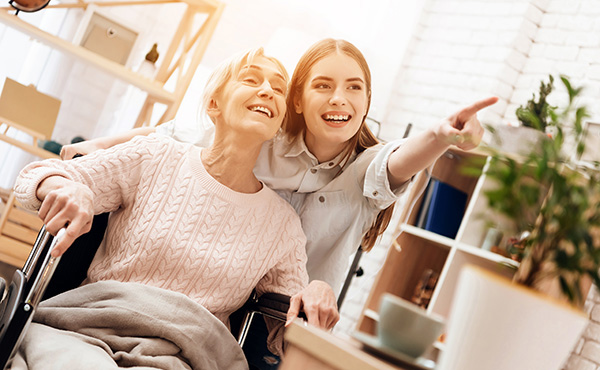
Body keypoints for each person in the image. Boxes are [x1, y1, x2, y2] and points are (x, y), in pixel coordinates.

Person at [61, 38, 496, 333]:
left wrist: (441, 135)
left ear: (366, 102)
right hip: (213, 299)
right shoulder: (262, 139)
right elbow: (175, 136)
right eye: (322, 86)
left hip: (285, 320)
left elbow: (400, 159)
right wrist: (98, 147)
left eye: (354, 88)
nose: (339, 99)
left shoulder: (365, 170)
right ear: (299, 100)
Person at [12, 48, 308, 368]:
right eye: (251, 79)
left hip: (183, 356)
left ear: (279, 121)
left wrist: (313, 301)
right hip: (83, 332)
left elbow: (291, 331)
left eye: (278, 88)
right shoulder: (155, 155)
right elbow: (34, 177)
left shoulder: (282, 225)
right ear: (213, 104)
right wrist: (66, 188)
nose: (267, 90)